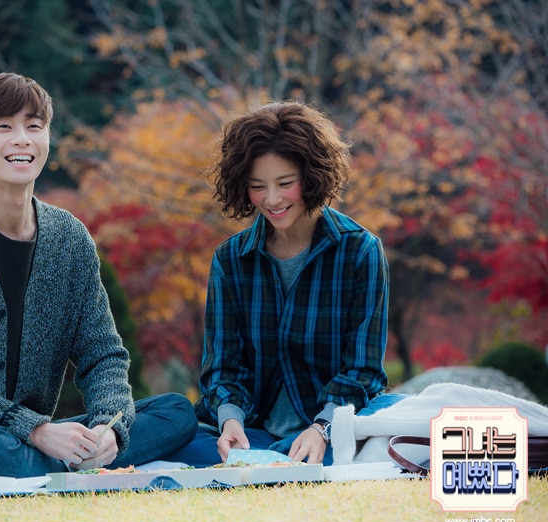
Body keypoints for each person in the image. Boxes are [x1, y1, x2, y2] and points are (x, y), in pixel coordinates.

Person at [0, 72, 198, 483]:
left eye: (34, 126)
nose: (22, 139)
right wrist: (35, 429)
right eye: (3, 127)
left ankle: (75, 463)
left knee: (175, 411)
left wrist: (108, 427)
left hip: (36, 439)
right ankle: (70, 468)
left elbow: (103, 354)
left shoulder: (69, 238)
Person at [166, 101, 401, 468]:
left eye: (286, 184)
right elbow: (223, 368)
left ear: (312, 175)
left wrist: (323, 428)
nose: (272, 200)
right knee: (173, 427)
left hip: (334, 429)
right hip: (254, 432)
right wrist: (230, 421)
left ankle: (283, 458)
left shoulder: (360, 251)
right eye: (257, 187)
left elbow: (363, 370)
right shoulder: (230, 259)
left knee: (399, 419)